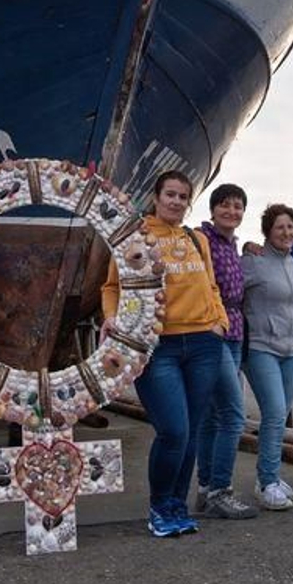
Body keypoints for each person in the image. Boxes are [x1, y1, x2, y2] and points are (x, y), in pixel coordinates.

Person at [102, 170, 228, 538]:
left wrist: (219, 322)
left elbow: (212, 286)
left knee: (191, 432)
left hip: (204, 344)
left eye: (182, 196)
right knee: (174, 430)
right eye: (170, 194)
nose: (176, 201)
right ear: (156, 197)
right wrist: (111, 317)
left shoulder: (197, 239)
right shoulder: (135, 236)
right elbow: (112, 286)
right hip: (159, 347)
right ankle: (159, 506)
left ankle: (177, 505)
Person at [192, 183, 257, 520]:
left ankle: (206, 490)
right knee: (233, 416)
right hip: (213, 332)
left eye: (237, 206)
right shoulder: (201, 239)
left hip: (234, 332)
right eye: (225, 205)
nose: (232, 211)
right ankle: (220, 490)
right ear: (213, 209)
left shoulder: (231, 243)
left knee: (212, 416)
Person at [241, 204, 293, 511]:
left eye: (291, 226)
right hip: (261, 347)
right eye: (280, 227)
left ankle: (272, 477)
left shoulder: (291, 262)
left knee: (280, 416)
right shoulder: (253, 261)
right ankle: (266, 483)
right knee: (275, 413)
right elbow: (227, 289)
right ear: (268, 231)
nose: (286, 232)